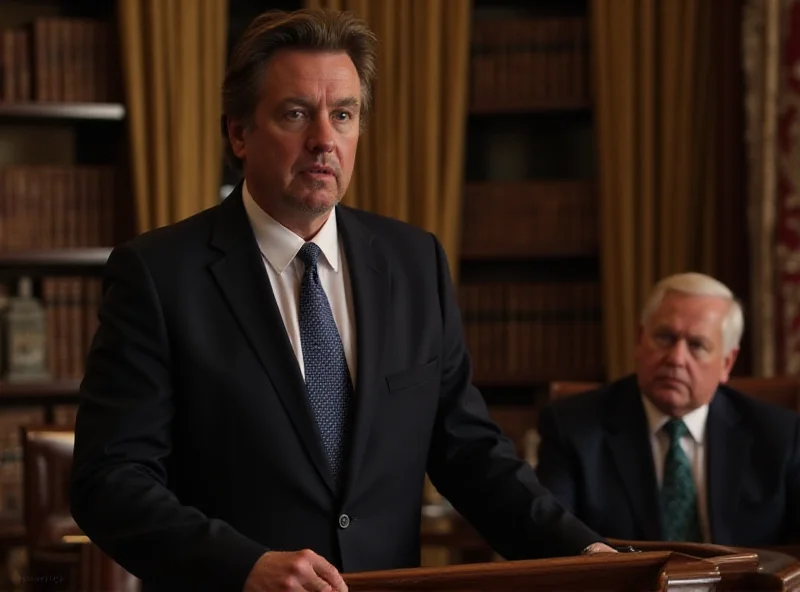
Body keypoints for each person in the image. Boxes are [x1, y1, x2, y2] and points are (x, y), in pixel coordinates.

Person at [69, 8, 612, 592]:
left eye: (344, 114)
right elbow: (110, 480)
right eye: (296, 113)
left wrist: (587, 554)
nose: (324, 139)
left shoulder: (413, 263)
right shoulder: (159, 274)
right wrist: (242, 565)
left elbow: (471, 454)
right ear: (238, 133)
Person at [536, 272, 800, 547]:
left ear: (727, 362)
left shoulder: (780, 435)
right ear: (640, 340)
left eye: (697, 345)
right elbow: (552, 541)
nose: (676, 358)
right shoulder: (572, 427)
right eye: (664, 337)